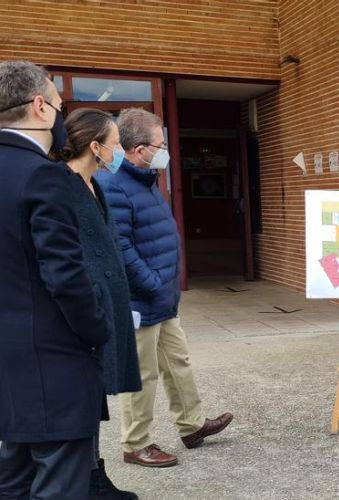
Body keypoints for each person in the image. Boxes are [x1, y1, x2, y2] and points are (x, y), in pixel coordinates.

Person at [0, 60, 114, 499]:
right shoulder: (41, 175)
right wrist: (97, 328)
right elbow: (64, 274)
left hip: (10, 361)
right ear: (40, 107)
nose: (62, 116)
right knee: (60, 482)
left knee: (14, 478)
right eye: (59, 104)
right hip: (51, 360)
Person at [96, 108, 233, 468]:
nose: (165, 152)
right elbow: (120, 248)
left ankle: (192, 425)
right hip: (141, 299)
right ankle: (136, 443)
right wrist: (152, 282)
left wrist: (164, 285)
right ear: (139, 149)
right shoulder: (114, 186)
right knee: (142, 374)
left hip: (162, 298)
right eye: (160, 145)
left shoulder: (145, 180)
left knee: (178, 362)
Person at [56, 108, 142, 499]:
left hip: (108, 305)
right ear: (95, 146)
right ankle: (87, 478)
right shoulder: (62, 186)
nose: (119, 151)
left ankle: (94, 473)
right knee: (86, 397)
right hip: (86, 310)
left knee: (96, 396)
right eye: (115, 144)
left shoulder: (95, 185)